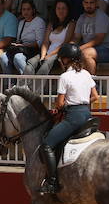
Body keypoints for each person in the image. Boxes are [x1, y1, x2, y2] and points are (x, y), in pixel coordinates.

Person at [37, 43, 99, 195]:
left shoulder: (64, 77)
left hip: (74, 117)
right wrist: (82, 102)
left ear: (65, 60)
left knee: (46, 144)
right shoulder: (86, 73)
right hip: (87, 114)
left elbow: (59, 103)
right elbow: (96, 97)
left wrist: (63, 107)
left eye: (61, 59)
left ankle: (52, 182)